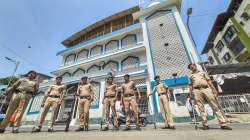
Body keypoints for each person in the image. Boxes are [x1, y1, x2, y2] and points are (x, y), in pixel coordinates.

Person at [188, 63, 232, 130]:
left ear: (195, 66)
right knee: (200, 107)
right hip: (196, 91)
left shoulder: (203, 72)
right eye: (191, 67)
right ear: (190, 69)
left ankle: (223, 123)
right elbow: (190, 85)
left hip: (206, 89)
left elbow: (209, 81)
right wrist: (191, 94)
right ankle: (205, 124)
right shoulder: (190, 76)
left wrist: (214, 89)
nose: (192, 67)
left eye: (193, 66)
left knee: (215, 106)